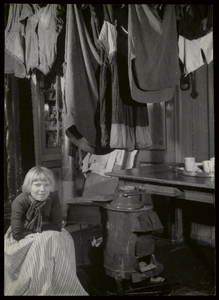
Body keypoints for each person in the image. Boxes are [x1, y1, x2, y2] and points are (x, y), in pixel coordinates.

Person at [4, 166, 88, 296]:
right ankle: (39, 288)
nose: (42, 190)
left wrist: (42, 233)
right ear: (29, 186)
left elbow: (57, 226)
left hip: (48, 233)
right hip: (21, 238)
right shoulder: (19, 201)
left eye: (46, 185)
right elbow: (17, 233)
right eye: (37, 185)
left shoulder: (53, 196)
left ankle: (59, 286)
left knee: (65, 239)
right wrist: (40, 235)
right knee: (44, 241)